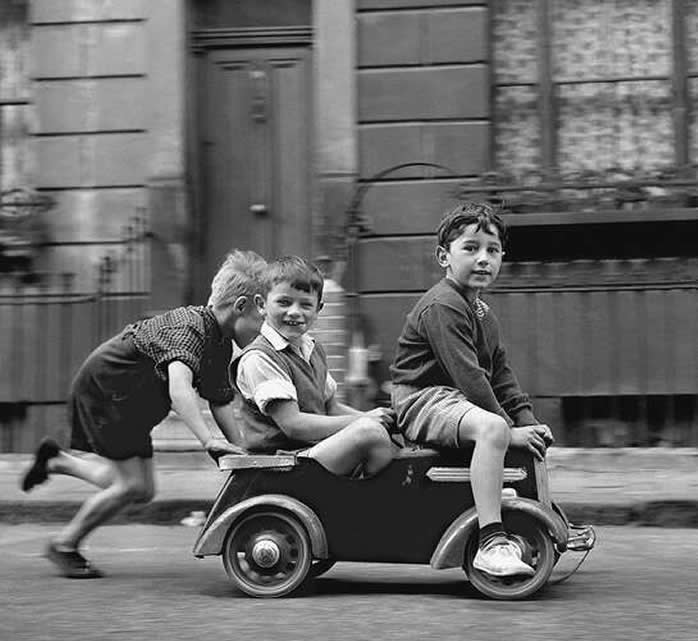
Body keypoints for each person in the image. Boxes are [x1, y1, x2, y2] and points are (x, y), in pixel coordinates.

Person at [21, 250, 267, 578]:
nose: (263, 328)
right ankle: (64, 545)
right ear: (240, 307)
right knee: (131, 486)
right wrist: (208, 441)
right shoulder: (190, 327)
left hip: (128, 404)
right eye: (261, 316)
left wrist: (243, 453)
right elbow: (179, 389)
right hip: (108, 392)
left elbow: (219, 401)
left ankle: (56, 461)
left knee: (141, 488)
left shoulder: (220, 343)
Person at [390, 200, 555, 578]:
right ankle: (491, 542)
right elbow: (470, 376)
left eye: (493, 251)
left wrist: (527, 419)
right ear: (443, 256)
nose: (483, 259)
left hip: (454, 399)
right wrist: (508, 428)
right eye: (471, 248)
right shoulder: (443, 305)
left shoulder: (481, 311)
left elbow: (500, 373)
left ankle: (527, 513)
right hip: (421, 399)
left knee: (519, 436)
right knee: (494, 431)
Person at [234, 256, 396, 477]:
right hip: (281, 462)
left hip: (310, 453)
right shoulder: (259, 357)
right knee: (369, 433)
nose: (294, 312)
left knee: (394, 437)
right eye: (284, 302)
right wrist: (364, 420)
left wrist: (379, 417)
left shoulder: (311, 349)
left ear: (318, 309)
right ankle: (368, 503)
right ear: (262, 305)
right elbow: (294, 425)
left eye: (305, 304)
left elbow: (331, 408)